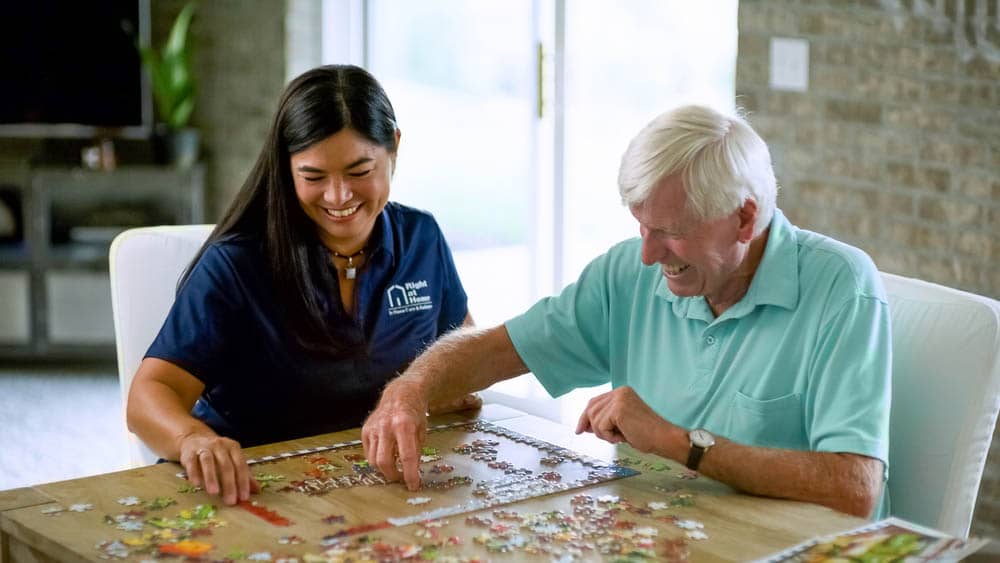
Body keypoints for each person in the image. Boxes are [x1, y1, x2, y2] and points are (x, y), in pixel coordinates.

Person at [362, 104, 891, 519]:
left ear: (744, 218)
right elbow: (503, 346)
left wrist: (678, 443)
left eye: (671, 233)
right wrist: (411, 389)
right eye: (642, 225)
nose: (648, 254)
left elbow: (854, 489)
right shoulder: (628, 273)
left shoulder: (843, 288)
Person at [127, 65, 480, 506]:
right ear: (286, 169)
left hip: (373, 483)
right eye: (314, 177)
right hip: (254, 491)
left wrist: (443, 387)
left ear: (394, 148)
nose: (338, 196)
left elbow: (462, 349)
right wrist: (193, 439)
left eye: (358, 171)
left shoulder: (422, 238)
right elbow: (146, 397)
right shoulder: (236, 263)